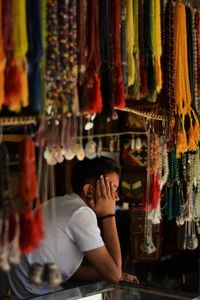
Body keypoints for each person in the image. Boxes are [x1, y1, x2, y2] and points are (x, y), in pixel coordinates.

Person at [0, 156, 138, 299]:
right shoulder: (81, 214)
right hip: (39, 296)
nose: (116, 198)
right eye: (111, 189)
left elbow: (71, 271)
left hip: (25, 293)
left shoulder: (61, 202)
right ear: (89, 190)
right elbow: (114, 275)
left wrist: (112, 273)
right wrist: (108, 215)